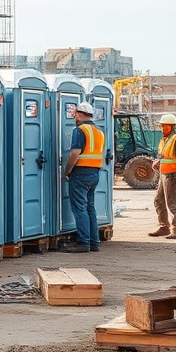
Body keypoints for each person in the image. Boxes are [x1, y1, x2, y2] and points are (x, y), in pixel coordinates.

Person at [60, 102, 105, 253]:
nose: (74, 117)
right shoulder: (99, 132)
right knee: (89, 207)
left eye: (75, 114)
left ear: (79, 114)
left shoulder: (79, 130)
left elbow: (75, 154)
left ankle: (83, 242)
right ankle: (94, 242)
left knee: (79, 208)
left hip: (80, 173)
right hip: (95, 173)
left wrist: (67, 171)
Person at [148, 113, 176, 239]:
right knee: (159, 201)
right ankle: (164, 227)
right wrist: (158, 163)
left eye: (166, 126)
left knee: (171, 202)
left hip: (172, 175)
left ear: (172, 127)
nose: (163, 129)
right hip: (164, 174)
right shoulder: (165, 140)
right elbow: (166, 158)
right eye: (162, 126)